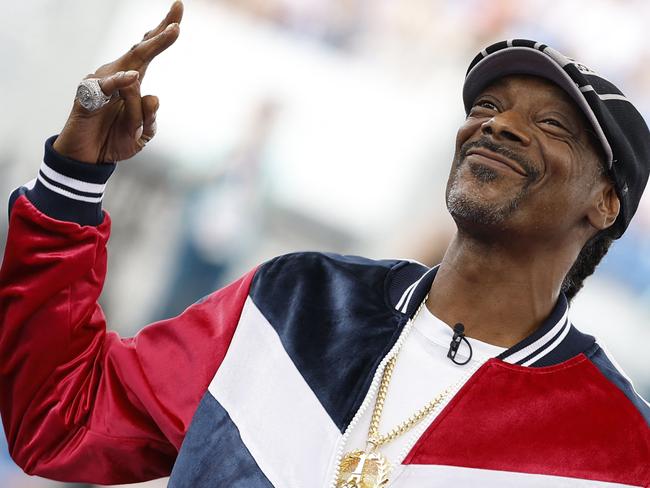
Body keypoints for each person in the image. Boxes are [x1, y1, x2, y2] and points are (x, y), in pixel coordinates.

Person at [0, 2, 648, 487]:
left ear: (606, 200)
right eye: (488, 107)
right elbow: (62, 419)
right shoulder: (295, 298)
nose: (499, 126)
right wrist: (72, 183)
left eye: (551, 124)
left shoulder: (621, 449)